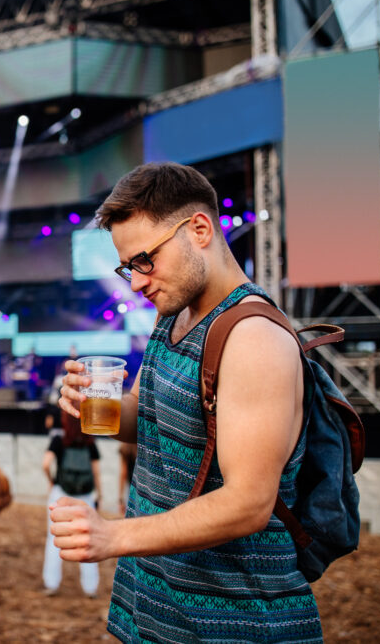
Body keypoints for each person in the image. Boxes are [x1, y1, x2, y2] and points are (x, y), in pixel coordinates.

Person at [52, 162, 320, 642]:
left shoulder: (253, 337)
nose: (135, 282)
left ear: (199, 229)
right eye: (127, 267)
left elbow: (249, 503)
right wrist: (97, 406)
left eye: (144, 260)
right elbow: (146, 418)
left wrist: (113, 536)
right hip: (156, 608)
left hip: (236, 622)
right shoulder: (173, 314)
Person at [41, 409, 100, 598]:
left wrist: (51, 481)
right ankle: (90, 588)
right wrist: (100, 493)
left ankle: (52, 583)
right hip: (85, 495)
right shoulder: (89, 441)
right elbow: (96, 471)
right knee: (88, 539)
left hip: (61, 493)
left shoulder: (59, 439)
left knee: (54, 539)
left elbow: (45, 463)